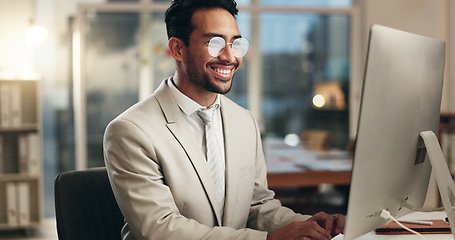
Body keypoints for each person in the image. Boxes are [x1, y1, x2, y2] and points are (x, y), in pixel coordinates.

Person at [103, 0, 345, 239]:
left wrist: (312, 224)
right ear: (177, 49)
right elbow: (160, 230)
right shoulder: (131, 131)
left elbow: (257, 207)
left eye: (235, 43)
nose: (230, 56)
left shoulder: (245, 121)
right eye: (214, 43)